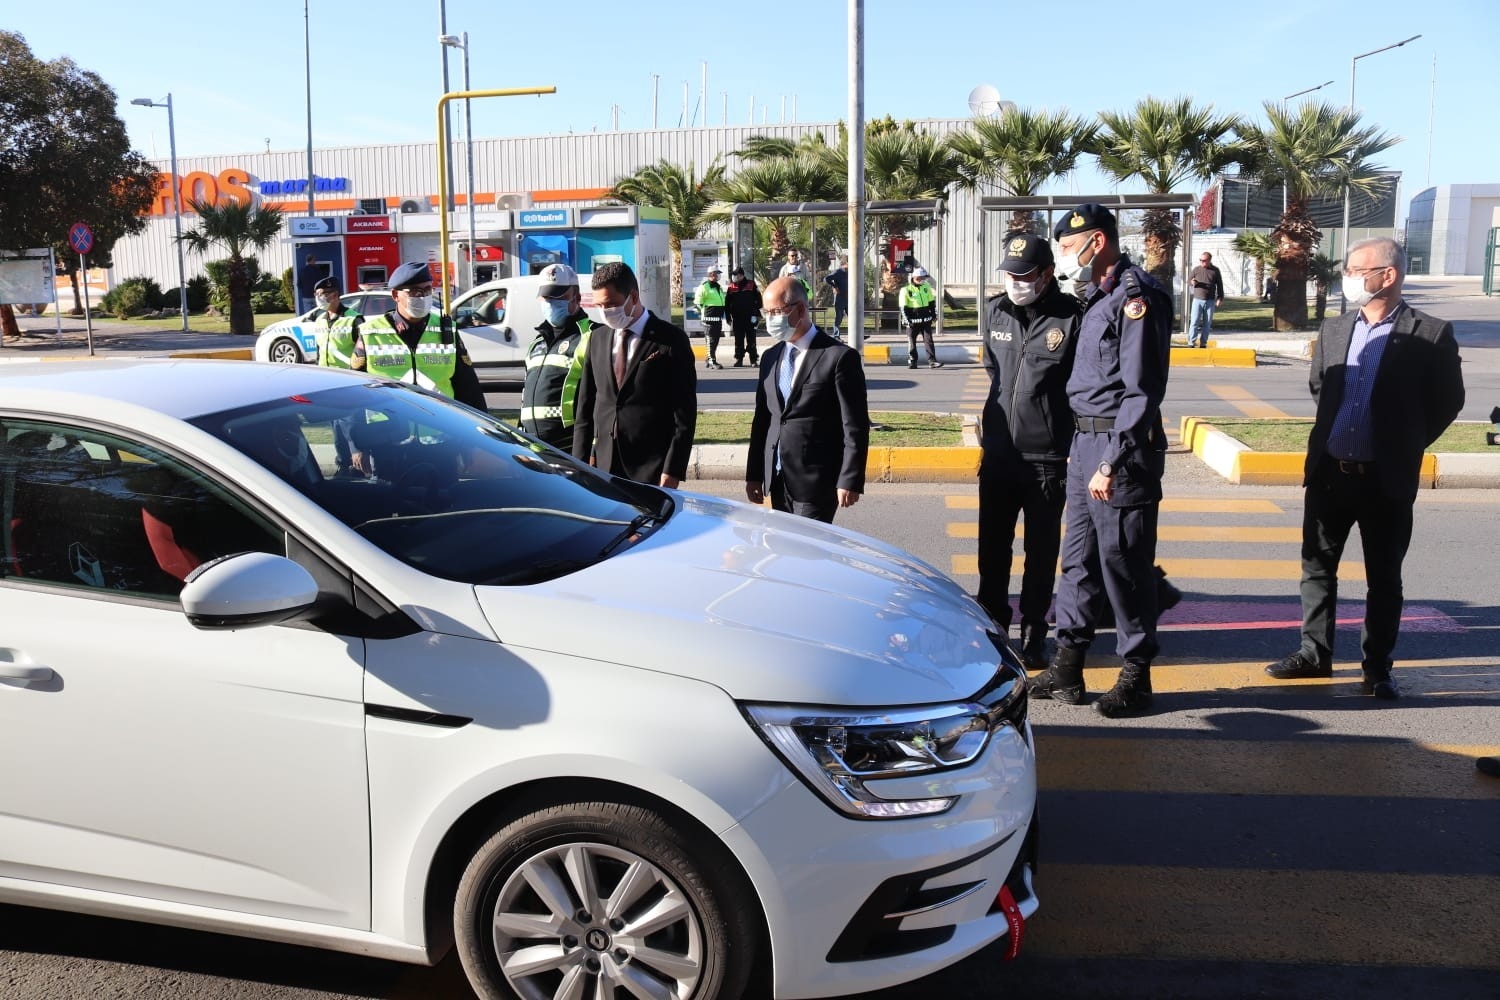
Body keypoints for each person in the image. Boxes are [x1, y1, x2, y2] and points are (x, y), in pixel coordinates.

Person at [1264, 237, 1464, 701]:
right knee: (1316, 568)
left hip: (1385, 478)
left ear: (1387, 276)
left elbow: (1447, 401)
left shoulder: (1430, 333)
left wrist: (1405, 443)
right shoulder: (1335, 330)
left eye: (1357, 270)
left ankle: (1377, 668)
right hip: (1331, 473)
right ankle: (1314, 654)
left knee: (1384, 578)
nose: (1348, 277)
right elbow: (1321, 387)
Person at [1027, 204, 1173, 719]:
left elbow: (1141, 391)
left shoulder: (1136, 298)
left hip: (1120, 448)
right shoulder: (1099, 298)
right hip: (1085, 443)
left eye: (1068, 247)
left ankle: (1137, 674)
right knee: (1079, 559)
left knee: (1123, 563)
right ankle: (1068, 665)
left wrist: (1112, 461)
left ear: (1098, 242)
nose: (1064, 256)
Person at [977, 234, 1080, 669]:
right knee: (992, 550)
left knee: (1040, 555)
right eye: (1010, 274)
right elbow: (993, 370)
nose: (1015, 282)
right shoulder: (994, 309)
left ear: (1046, 274)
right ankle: (993, 629)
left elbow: (1078, 383)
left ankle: (1035, 632)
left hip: (1047, 460)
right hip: (1000, 455)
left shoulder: (1073, 316)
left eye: (1023, 275)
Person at [746, 276, 869, 523]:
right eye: (766, 313)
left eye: (776, 312)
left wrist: (850, 478)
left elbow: (854, 425)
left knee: (806, 556)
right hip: (779, 478)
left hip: (817, 482)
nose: (770, 319)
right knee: (785, 553)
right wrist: (754, 474)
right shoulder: (771, 357)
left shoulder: (838, 357)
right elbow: (764, 419)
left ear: (800, 309)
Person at [572, 261, 697, 488]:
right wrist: (579, 464)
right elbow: (586, 408)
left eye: (611, 305)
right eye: (599, 306)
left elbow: (684, 414)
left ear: (634, 297)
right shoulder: (597, 339)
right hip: (604, 465)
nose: (605, 313)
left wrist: (673, 469)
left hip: (651, 467)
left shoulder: (670, 340)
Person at [321, 260, 486, 412]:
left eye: (427, 289)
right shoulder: (371, 332)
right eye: (414, 291)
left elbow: (468, 388)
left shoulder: (446, 329)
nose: (422, 296)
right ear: (395, 295)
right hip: (389, 431)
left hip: (440, 431)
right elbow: (357, 391)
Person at [519, 263, 593, 450]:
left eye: (559, 297)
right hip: (532, 450)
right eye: (547, 297)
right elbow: (525, 398)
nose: (552, 302)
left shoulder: (592, 336)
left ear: (577, 298)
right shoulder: (537, 343)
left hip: (570, 449)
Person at [899, 266, 941, 369]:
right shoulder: (906, 290)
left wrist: (934, 314)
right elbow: (903, 307)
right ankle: (912, 361)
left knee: (929, 340)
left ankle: (932, 361)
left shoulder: (926, 286)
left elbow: (931, 303)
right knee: (911, 341)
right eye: (919, 278)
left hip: (926, 319)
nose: (921, 280)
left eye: (923, 278)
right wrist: (906, 319)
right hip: (912, 321)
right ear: (913, 278)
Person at [725, 266, 762, 367]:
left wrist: (755, 310)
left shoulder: (751, 284)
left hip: (750, 317)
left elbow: (759, 299)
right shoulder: (731, 287)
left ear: (741, 275)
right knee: (738, 340)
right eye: (733, 275)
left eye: (736, 275)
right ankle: (739, 359)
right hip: (737, 318)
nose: (734, 277)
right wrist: (728, 317)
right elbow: (727, 303)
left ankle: (753, 360)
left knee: (752, 339)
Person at [1188, 252, 1225, 348]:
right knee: (1194, 322)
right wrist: (1192, 282)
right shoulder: (1196, 269)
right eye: (1200, 260)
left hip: (1210, 301)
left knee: (1207, 323)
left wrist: (1220, 298)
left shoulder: (1215, 270)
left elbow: (1220, 285)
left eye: (1203, 260)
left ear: (1209, 260)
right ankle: (1191, 342)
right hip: (1197, 300)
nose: (1201, 262)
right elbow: (1189, 280)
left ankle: (1203, 343)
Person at [695, 266, 728, 370]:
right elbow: (697, 303)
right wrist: (705, 313)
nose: (719, 275)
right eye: (717, 273)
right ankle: (711, 361)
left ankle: (709, 359)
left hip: (717, 318)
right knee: (711, 340)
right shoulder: (704, 287)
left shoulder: (718, 287)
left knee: (715, 340)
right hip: (709, 318)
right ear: (711, 274)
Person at [824, 256, 849, 337]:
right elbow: (827, 278)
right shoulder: (838, 272)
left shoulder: (852, 272)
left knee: (853, 316)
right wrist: (835, 286)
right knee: (839, 316)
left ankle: (858, 334)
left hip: (849, 298)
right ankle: (836, 335)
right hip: (840, 298)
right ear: (846, 263)